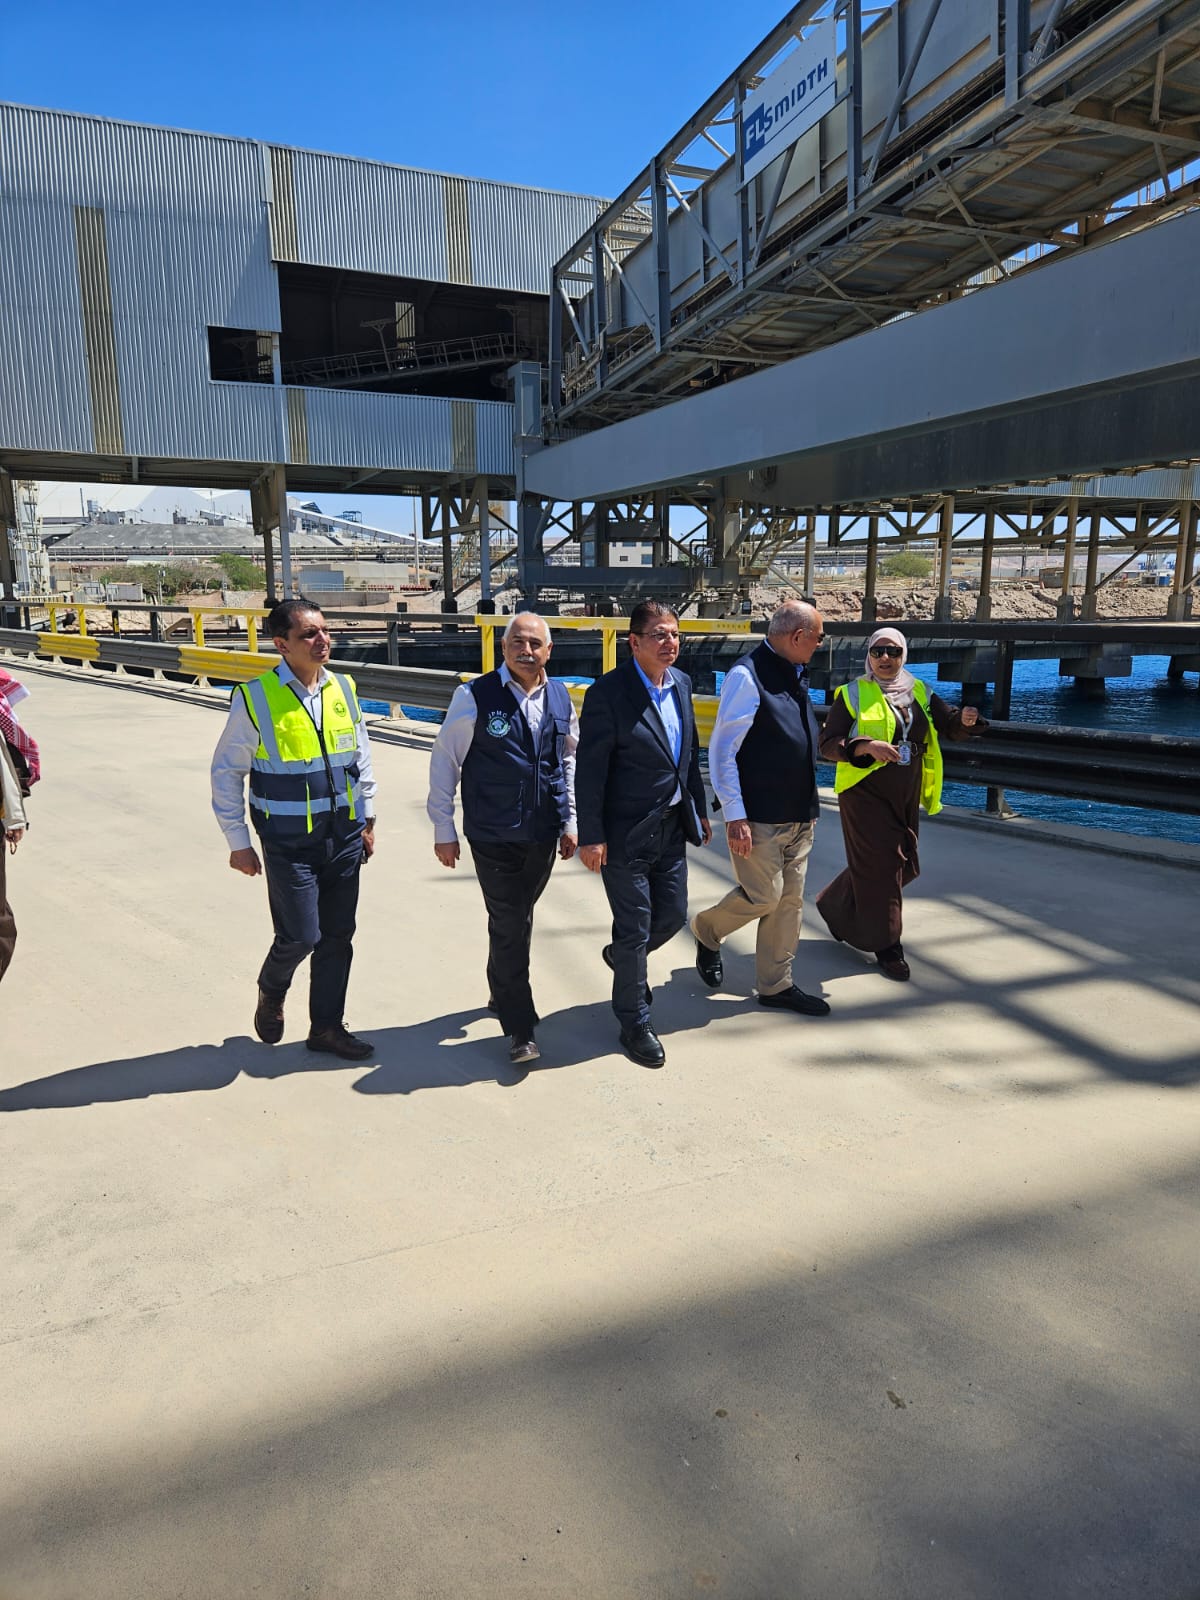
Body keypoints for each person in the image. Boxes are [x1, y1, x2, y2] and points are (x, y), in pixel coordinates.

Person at [210, 598, 377, 1057]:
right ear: (282, 644)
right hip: (289, 842)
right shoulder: (256, 697)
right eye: (308, 634)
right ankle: (272, 987)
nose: (322, 640)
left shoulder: (343, 687)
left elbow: (360, 756)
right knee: (302, 936)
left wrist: (368, 818)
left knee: (338, 937)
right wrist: (238, 842)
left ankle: (326, 1028)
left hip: (343, 836)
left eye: (324, 630)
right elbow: (226, 772)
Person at [427, 612, 579, 1066]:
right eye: (517, 642)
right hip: (492, 833)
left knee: (515, 918)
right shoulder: (474, 696)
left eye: (535, 643)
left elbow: (568, 761)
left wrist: (571, 821)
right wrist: (443, 828)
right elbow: (445, 761)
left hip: (542, 831)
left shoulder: (560, 696)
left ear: (549, 651)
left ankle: (500, 988)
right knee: (511, 920)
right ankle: (520, 1026)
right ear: (503, 646)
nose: (525, 650)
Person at [575, 601, 712, 1068]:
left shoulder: (682, 684)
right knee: (634, 929)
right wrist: (591, 836)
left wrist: (698, 808)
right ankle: (634, 1020)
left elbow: (687, 755)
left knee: (671, 916)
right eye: (659, 634)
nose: (669, 642)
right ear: (634, 642)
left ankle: (621, 958)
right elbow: (590, 772)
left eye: (674, 634)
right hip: (624, 832)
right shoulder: (608, 694)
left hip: (671, 827)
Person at [815, 626, 982, 980]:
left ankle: (835, 904)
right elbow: (828, 743)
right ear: (869, 656)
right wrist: (864, 746)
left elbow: (949, 724)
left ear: (903, 655)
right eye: (878, 652)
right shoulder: (852, 693)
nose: (885, 659)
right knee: (887, 864)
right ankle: (888, 946)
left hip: (906, 788)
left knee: (903, 863)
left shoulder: (919, 689)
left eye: (893, 651)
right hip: (864, 790)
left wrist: (966, 721)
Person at [692, 600, 830, 1016]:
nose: (820, 645)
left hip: (799, 812)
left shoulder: (793, 671)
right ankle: (707, 928)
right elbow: (723, 751)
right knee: (764, 896)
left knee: (790, 902)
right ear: (797, 637)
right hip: (759, 816)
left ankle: (776, 985)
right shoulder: (746, 676)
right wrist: (734, 815)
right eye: (819, 638)